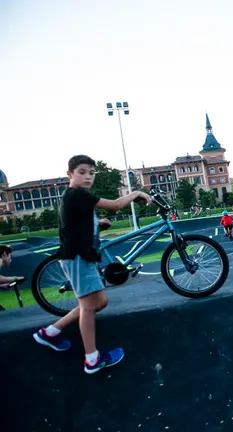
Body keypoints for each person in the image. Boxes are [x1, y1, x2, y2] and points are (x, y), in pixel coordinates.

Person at [32, 155, 151, 374]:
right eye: (82, 172)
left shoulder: (76, 197)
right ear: (70, 174)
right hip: (77, 258)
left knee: (100, 301)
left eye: (91, 173)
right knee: (89, 306)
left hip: (81, 255)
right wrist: (136, 193)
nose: (88, 177)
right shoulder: (76, 194)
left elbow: (76, 224)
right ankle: (92, 359)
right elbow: (115, 205)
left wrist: (98, 225)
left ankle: (50, 333)